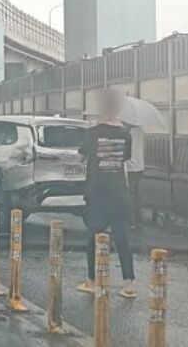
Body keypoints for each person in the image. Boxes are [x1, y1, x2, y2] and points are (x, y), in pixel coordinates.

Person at [76, 88, 137, 299]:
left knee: (93, 236)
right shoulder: (125, 134)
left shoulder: (92, 133)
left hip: (98, 191)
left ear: (101, 108)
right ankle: (129, 283)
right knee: (122, 237)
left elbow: (81, 157)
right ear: (118, 109)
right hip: (119, 192)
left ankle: (92, 280)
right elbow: (125, 158)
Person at [125, 125, 145, 230]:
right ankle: (138, 218)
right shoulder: (141, 130)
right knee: (137, 193)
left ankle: (131, 221)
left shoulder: (127, 132)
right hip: (140, 165)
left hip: (130, 167)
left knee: (130, 194)